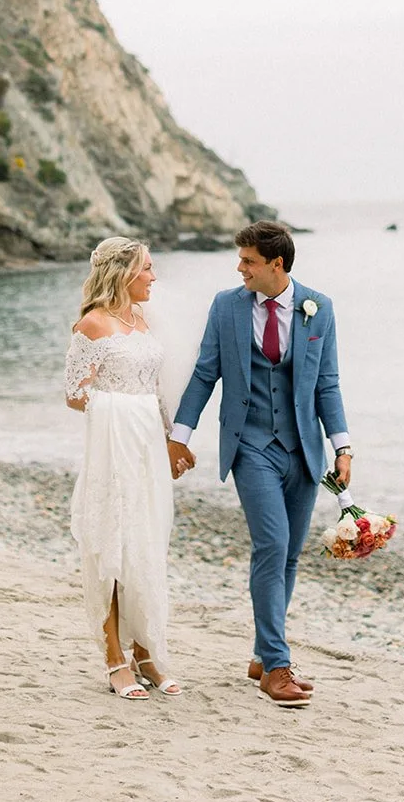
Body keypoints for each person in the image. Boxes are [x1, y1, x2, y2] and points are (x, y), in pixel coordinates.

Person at [168, 221, 352, 708]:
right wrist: (178, 437)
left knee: (289, 554)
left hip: (303, 450)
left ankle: (260, 654)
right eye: (240, 260)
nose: (240, 268)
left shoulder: (319, 307)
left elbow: (327, 384)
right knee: (270, 544)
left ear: (277, 265)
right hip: (249, 446)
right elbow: (206, 373)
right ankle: (276, 665)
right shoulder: (227, 306)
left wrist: (343, 447)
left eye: (248, 261)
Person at [65, 237, 182, 700]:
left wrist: (173, 439)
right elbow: (75, 394)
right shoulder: (92, 325)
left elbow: (155, 389)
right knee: (113, 546)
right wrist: (125, 412)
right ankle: (116, 657)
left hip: (148, 449)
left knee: (146, 545)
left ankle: (146, 651)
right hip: (113, 452)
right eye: (148, 269)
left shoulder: (144, 321)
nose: (154, 277)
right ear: (123, 273)